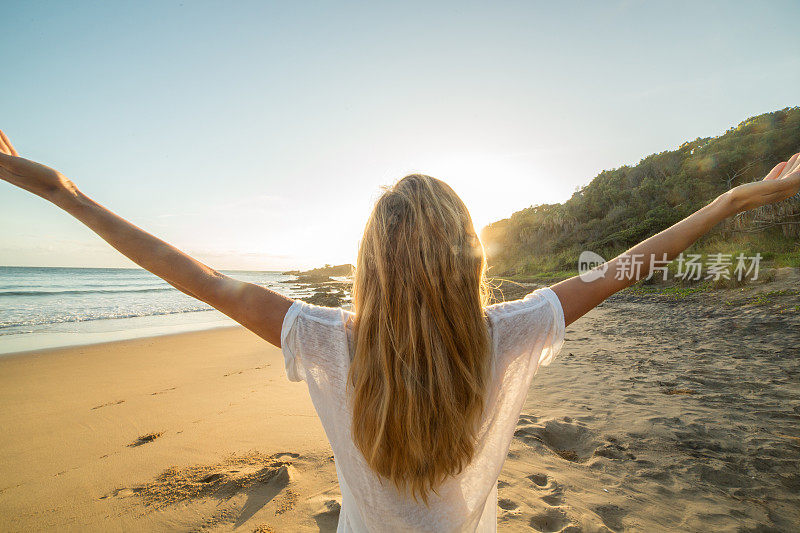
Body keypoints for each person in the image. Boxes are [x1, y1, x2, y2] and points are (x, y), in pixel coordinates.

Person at [0, 129, 798, 532]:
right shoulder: (505, 331)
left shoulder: (327, 338)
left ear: (370, 266)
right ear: (467, 262)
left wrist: (67, 192)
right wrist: (727, 201)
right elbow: (627, 264)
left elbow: (199, 278)